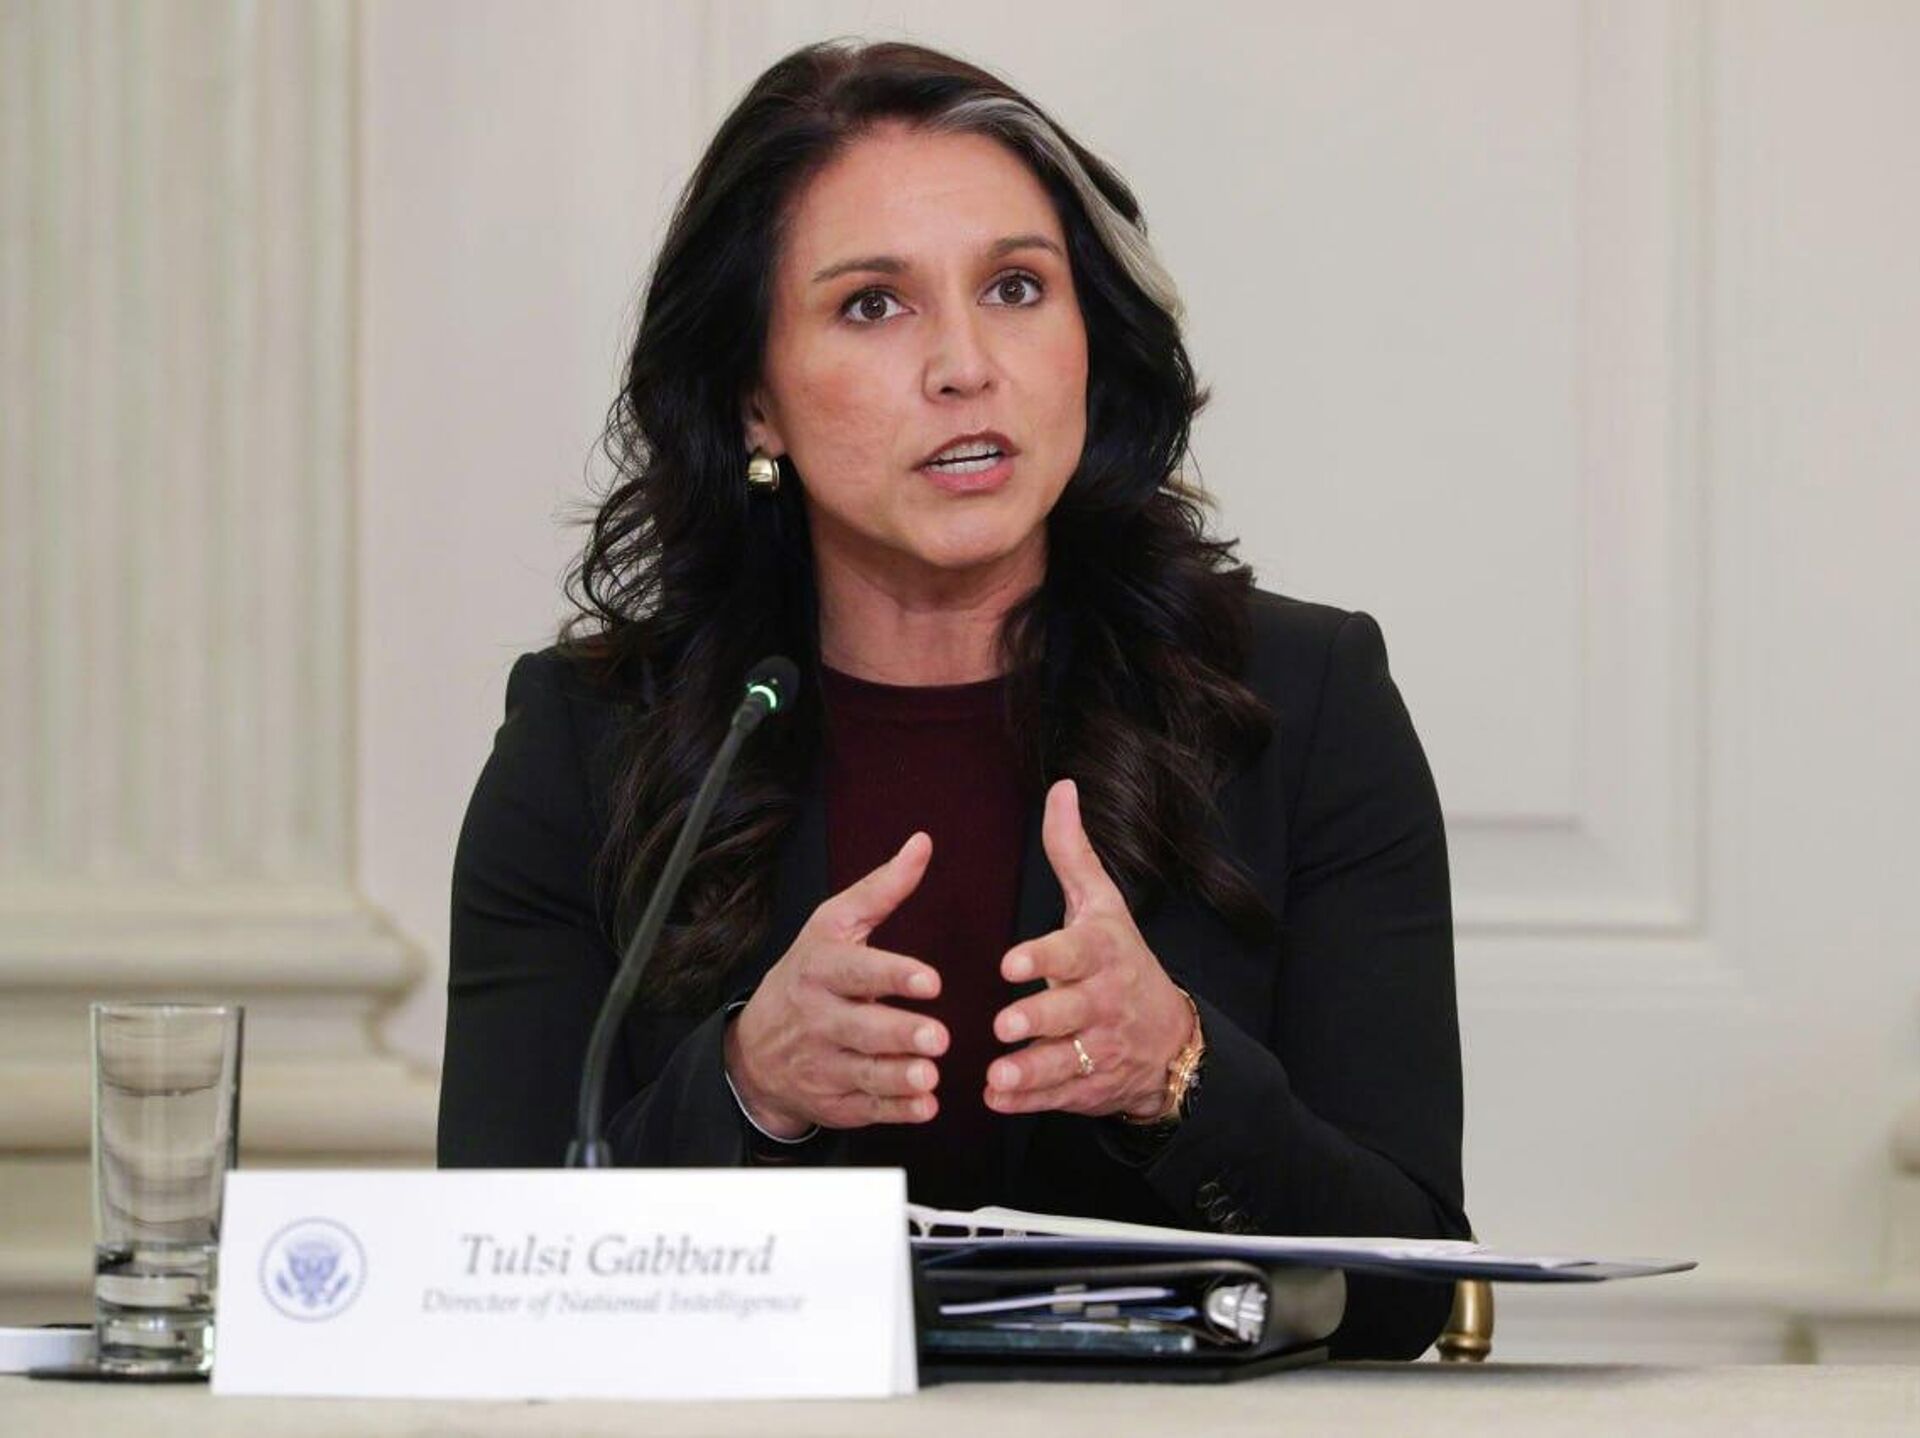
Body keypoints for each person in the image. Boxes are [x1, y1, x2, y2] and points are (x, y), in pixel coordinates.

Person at [437, 39, 1468, 1360]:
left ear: (1089, 339)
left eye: (1017, 288)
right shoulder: (587, 741)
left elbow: (1410, 1283)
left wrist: (1178, 1074)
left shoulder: (1303, 704)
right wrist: (748, 1087)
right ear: (754, 401)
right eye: (874, 305)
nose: (965, 365)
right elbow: (486, 1270)